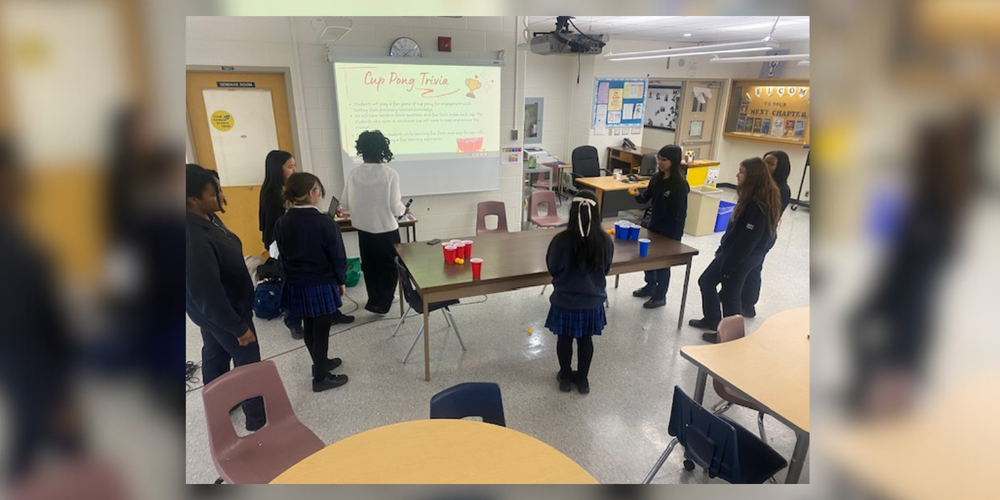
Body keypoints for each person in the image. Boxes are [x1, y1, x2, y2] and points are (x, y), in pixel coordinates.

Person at [185, 164, 266, 430]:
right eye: (214, 192)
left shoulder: (207, 218)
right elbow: (207, 292)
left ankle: (219, 405)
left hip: (218, 313)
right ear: (192, 200)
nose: (221, 196)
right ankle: (257, 421)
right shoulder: (192, 238)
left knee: (215, 355)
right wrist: (238, 328)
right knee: (248, 362)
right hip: (226, 313)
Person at [689, 157, 782, 342]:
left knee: (730, 295)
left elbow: (746, 243)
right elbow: (736, 234)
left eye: (741, 172)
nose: (737, 175)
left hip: (741, 257)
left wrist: (729, 267)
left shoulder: (758, 206)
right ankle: (712, 319)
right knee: (706, 281)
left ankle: (732, 337)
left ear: (752, 177)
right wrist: (723, 250)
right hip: (731, 252)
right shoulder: (750, 198)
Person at [275, 173, 350, 392]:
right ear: (310, 193)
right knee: (322, 330)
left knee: (309, 325)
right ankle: (320, 378)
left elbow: (282, 255)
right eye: (317, 189)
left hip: (296, 282)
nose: (319, 193)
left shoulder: (283, 221)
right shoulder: (323, 222)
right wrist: (341, 280)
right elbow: (337, 255)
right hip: (319, 282)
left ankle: (320, 363)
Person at [544, 190, 615, 394]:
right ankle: (582, 380)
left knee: (564, 339)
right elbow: (606, 269)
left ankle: (565, 376)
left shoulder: (560, 241)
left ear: (572, 212)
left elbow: (553, 267)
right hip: (591, 303)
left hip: (565, 301)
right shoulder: (605, 241)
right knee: (586, 340)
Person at [341, 130, 406, 315]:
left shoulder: (354, 173)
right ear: (383, 149)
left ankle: (374, 300)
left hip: (364, 230)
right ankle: (384, 303)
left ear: (362, 149)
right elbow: (395, 207)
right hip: (386, 230)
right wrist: (403, 210)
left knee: (369, 267)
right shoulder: (390, 174)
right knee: (389, 267)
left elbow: (345, 203)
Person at [628, 144, 689, 308]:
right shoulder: (656, 178)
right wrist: (636, 195)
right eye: (658, 159)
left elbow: (681, 213)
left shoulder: (680, 184)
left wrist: (677, 237)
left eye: (664, 160)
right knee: (648, 258)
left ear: (673, 161)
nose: (660, 163)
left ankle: (660, 296)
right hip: (654, 225)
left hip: (669, 230)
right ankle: (650, 286)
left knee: (663, 264)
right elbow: (645, 198)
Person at [740, 150, 792, 317]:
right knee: (741, 266)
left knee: (754, 268)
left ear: (780, 168)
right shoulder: (760, 183)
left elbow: (769, 215)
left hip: (764, 235)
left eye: (771, 164)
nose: (766, 166)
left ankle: (749, 304)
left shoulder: (781, 190)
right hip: (749, 231)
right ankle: (736, 296)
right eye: (764, 162)